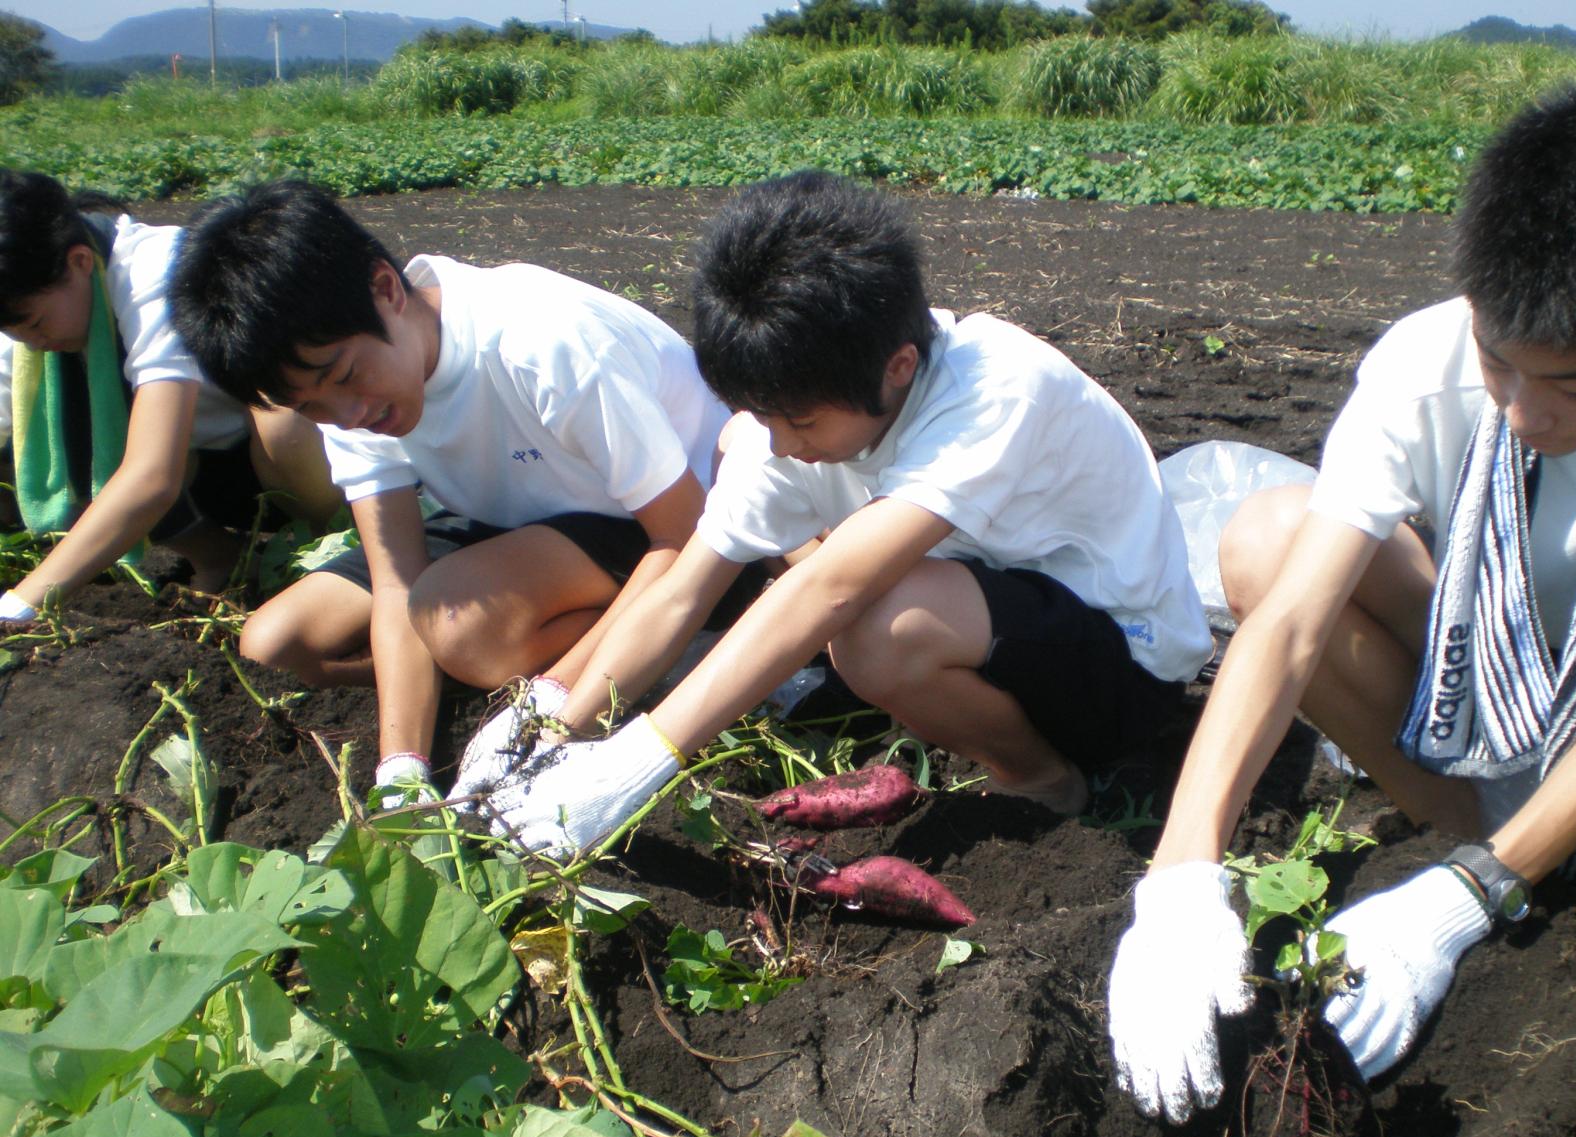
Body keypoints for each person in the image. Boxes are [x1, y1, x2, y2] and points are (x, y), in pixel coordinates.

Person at [1108, 86, 1576, 1124]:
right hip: (1488, 665)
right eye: (1497, 364)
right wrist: (1178, 870)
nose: (1524, 413)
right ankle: (1455, 822)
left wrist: (1458, 907)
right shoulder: (1420, 366)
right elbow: (1290, 622)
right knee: (1264, 540)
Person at [458, 169, 1211, 854]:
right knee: (851, 598)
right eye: (763, 415)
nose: (781, 446)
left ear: (898, 368)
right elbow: (684, 589)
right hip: (1001, 633)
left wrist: (635, 764)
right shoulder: (787, 424)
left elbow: (830, 587)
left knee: (877, 627)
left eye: (801, 424)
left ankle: (1053, 783)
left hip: (1125, 667)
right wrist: (549, 726)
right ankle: (1007, 745)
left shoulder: (998, 387)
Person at [170, 179, 733, 804]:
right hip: (520, 517)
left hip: (674, 512)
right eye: (311, 405)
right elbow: (396, 582)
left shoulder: (538, 341)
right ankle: (526, 652)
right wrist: (401, 769)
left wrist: (544, 713)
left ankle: (656, 641)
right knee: (275, 644)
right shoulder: (355, 399)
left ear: (386, 289)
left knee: (462, 628)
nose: (347, 414)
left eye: (345, 377)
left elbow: (683, 530)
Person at [0, 168, 338, 620]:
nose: (31, 343)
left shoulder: (157, 274)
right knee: (50, 437)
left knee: (281, 420)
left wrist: (22, 604)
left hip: (308, 455)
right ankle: (223, 556)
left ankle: (333, 551)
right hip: (213, 469)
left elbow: (153, 476)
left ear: (80, 261)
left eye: (36, 325)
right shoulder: (29, 313)